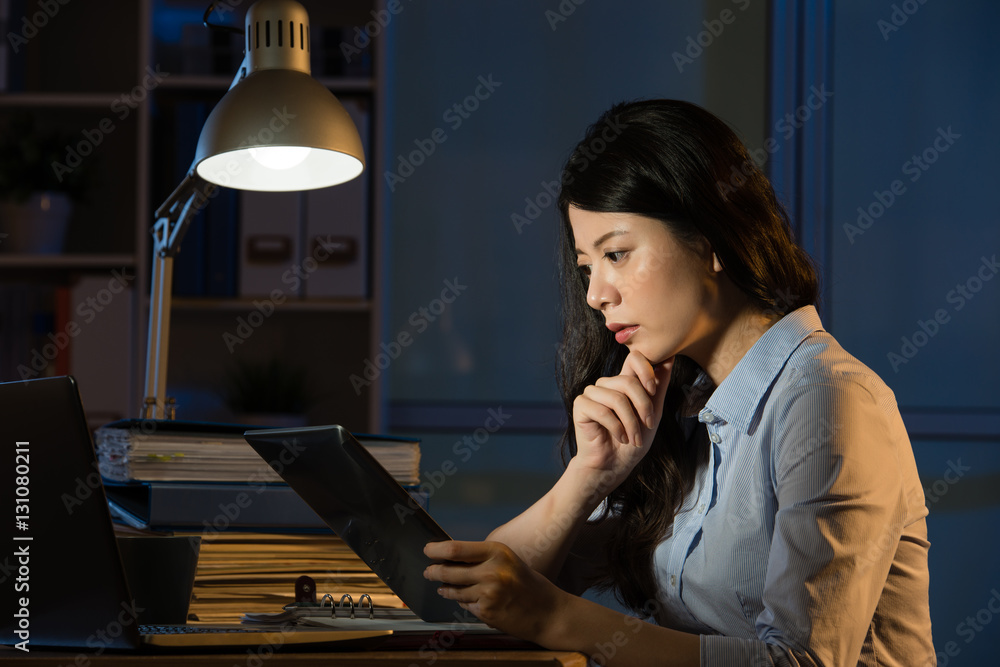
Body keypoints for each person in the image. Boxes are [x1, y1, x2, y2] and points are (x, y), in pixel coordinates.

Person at [422, 99, 934, 666]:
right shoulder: (686, 409)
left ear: (711, 239)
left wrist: (557, 618)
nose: (596, 295)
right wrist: (588, 477)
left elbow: (803, 661)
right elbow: (493, 594)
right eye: (587, 267)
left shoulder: (827, 401)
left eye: (616, 253)